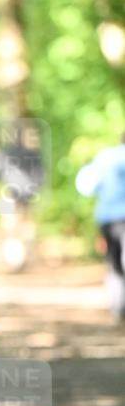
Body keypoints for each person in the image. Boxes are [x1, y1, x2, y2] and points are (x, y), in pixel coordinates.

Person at [76, 134, 125, 320]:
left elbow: (86, 186)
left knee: (114, 263)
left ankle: (118, 306)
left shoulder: (105, 158)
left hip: (109, 219)